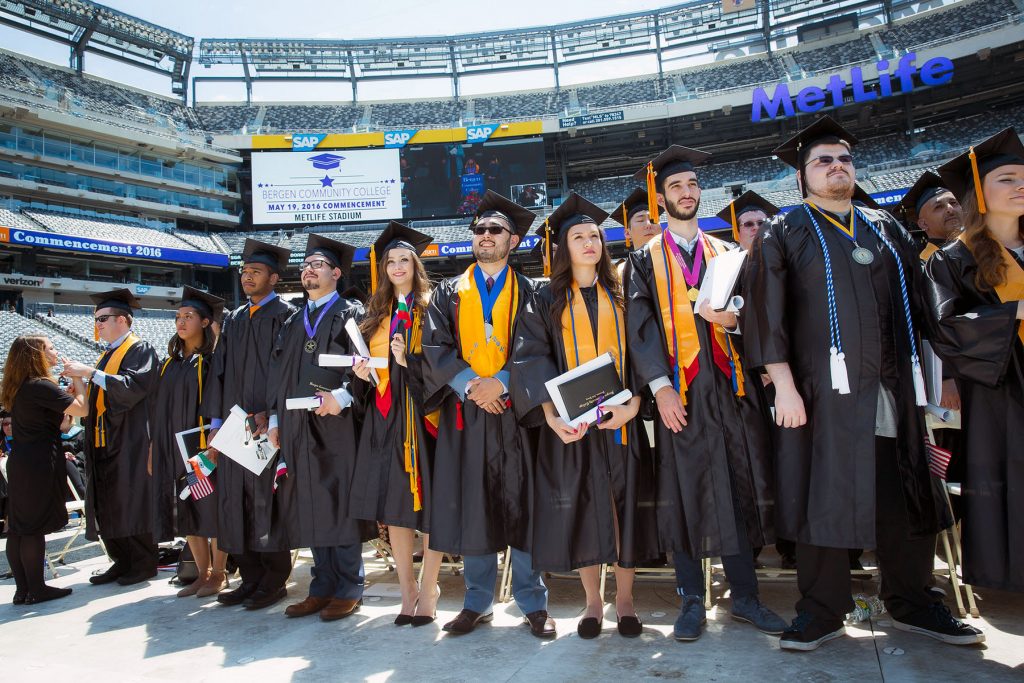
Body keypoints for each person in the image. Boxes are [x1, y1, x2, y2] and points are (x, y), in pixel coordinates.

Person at [742, 115, 984, 651]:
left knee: (903, 491)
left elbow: (926, 304)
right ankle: (823, 610)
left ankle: (914, 600)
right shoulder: (785, 230)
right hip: (820, 395)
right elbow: (764, 315)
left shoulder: (884, 225)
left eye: (845, 159)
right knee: (821, 494)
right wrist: (782, 386)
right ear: (803, 175)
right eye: (824, 161)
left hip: (893, 387)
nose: (837, 167)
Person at [627, 146, 785, 642]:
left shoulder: (728, 253)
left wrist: (734, 321)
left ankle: (745, 597)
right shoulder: (642, 260)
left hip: (730, 385)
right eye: (676, 187)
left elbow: (752, 314)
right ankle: (692, 599)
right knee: (683, 491)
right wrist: (660, 389)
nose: (687, 192)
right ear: (661, 199)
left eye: (693, 185)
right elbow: (641, 329)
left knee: (738, 489)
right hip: (682, 391)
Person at [512, 193, 656, 639]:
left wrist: (633, 405)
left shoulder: (625, 291)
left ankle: (626, 599)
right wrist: (553, 415)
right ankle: (593, 602)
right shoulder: (545, 298)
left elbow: (647, 352)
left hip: (621, 423)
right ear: (564, 247)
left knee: (622, 510)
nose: (589, 242)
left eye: (594, 235)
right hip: (572, 428)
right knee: (584, 510)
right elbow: (531, 357)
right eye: (578, 236)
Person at [421, 190, 553, 638]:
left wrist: (504, 383)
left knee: (523, 506)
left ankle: (532, 602)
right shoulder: (448, 292)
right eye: (479, 230)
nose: (485, 236)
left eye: (495, 230)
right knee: (474, 506)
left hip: (517, 412)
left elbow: (538, 348)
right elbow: (435, 348)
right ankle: (477, 602)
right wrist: (472, 386)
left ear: (512, 240)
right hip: (468, 413)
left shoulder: (533, 291)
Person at [925, 127, 1024, 593]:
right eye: (1007, 178)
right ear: (979, 193)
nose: (1020, 185)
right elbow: (947, 325)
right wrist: (1015, 311)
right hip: (1005, 385)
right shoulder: (954, 258)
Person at [269, 234, 375, 621]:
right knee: (310, 504)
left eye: (317, 265)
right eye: (304, 266)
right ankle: (321, 587)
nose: (308, 270)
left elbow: (363, 365)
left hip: (337, 424)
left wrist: (344, 397)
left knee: (338, 502)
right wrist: (277, 418)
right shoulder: (294, 320)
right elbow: (278, 374)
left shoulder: (351, 312)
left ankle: (349, 587)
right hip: (298, 425)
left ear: (336, 272)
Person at [349, 222, 444, 626]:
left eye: (405, 259)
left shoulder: (434, 305)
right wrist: (362, 372)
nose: (397, 266)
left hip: (424, 416)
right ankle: (407, 590)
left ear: (416, 265)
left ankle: (430, 585)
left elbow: (445, 362)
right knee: (397, 508)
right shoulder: (377, 314)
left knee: (433, 506)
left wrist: (411, 362)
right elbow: (371, 374)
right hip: (384, 416)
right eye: (391, 260)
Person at [204, 239, 297, 609]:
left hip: (263, 427)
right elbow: (219, 372)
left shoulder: (286, 315)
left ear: (274, 278)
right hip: (233, 426)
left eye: (255, 272)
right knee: (234, 502)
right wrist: (214, 422)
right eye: (244, 272)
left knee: (264, 503)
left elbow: (284, 373)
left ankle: (274, 581)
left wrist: (272, 412)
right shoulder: (235, 318)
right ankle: (249, 577)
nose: (247, 277)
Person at [61, 289, 160, 587]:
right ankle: (120, 560)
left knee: (132, 501)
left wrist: (90, 373)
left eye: (103, 319)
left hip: (130, 439)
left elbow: (133, 388)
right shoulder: (106, 356)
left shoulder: (140, 349)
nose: (98, 325)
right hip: (102, 440)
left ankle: (143, 563)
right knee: (109, 502)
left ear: (122, 320)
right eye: (96, 320)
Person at [150, 287, 228, 598]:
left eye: (189, 317)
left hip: (203, 449)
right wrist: (154, 446)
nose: (181, 322)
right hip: (173, 448)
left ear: (206, 322)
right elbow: (157, 410)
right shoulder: (170, 363)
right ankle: (201, 572)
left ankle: (220, 573)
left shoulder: (210, 361)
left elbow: (218, 405)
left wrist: (215, 445)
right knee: (187, 509)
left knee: (210, 509)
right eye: (178, 317)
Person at [1, 335, 89, 604]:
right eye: (50, 348)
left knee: (18, 528)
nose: (55, 352)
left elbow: (63, 424)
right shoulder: (40, 385)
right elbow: (83, 410)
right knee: (32, 529)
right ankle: (37, 589)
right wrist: (78, 379)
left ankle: (23, 590)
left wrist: (66, 398)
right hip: (38, 462)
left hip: (22, 461)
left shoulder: (18, 386)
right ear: (36, 354)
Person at [900, 171, 964, 261]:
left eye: (954, 203)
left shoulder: (980, 245)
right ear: (923, 224)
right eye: (938, 207)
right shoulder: (926, 264)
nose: (950, 209)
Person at [59, 413, 87, 501]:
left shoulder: (82, 434)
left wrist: (75, 458)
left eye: (62, 414)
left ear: (70, 416)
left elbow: (86, 453)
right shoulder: (54, 437)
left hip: (79, 469)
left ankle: (84, 496)